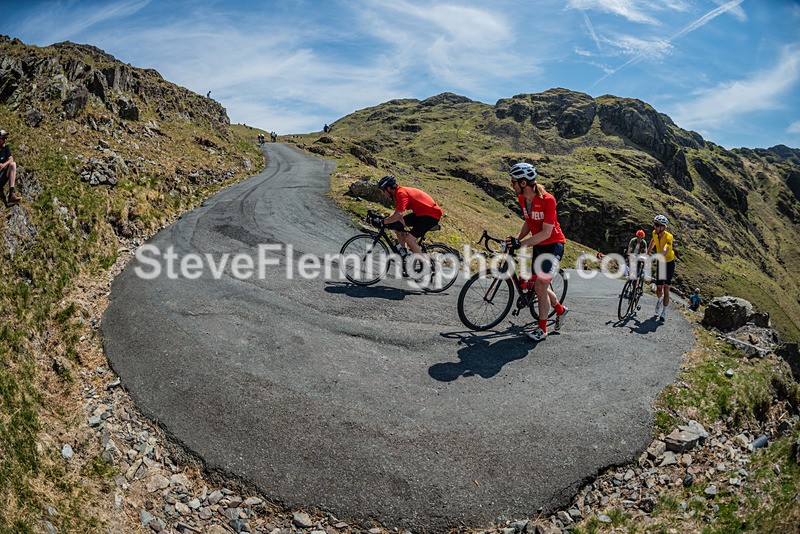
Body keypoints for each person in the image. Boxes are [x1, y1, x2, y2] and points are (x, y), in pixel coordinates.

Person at [504, 162, 568, 342]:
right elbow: (528, 222)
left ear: (523, 183)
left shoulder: (548, 200)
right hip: (539, 246)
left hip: (553, 245)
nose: (512, 185)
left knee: (540, 287)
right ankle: (561, 311)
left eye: (513, 182)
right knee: (540, 286)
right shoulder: (523, 199)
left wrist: (522, 244)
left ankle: (542, 330)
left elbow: (546, 232)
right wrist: (516, 239)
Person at [377, 174, 442, 262]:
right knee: (398, 226)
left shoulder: (401, 193)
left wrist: (384, 221)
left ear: (388, 189)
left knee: (409, 239)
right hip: (422, 213)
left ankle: (426, 266)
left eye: (383, 191)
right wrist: (386, 219)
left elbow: (399, 214)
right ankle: (404, 255)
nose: (383, 194)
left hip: (431, 215)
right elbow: (397, 213)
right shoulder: (399, 193)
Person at [648, 214, 675, 322]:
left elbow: (665, 249)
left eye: (657, 225)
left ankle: (664, 311)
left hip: (668, 263)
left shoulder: (669, 237)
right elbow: (653, 241)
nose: (655, 226)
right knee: (659, 288)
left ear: (663, 227)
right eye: (655, 224)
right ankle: (659, 300)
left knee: (666, 288)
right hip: (661, 263)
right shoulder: (654, 233)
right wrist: (647, 252)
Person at [0, 130, 20, 206]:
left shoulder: (6, 148)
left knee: (13, 164)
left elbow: (11, 159)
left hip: (1, 177)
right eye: (3, 138)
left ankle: (11, 194)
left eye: (6, 138)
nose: (5, 140)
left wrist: (3, 165)